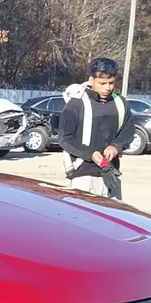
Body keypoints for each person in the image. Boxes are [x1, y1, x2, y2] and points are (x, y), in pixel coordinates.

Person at [58, 57, 135, 199]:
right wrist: (90, 154)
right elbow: (65, 139)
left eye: (111, 83)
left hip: (110, 173)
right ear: (91, 80)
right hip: (82, 175)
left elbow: (128, 131)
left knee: (111, 219)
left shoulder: (120, 103)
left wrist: (116, 146)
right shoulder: (76, 104)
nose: (108, 88)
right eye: (102, 83)